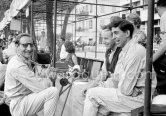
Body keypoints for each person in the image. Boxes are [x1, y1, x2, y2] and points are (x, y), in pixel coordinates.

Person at [82, 19, 157, 116]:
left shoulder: (135, 52)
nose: (113, 37)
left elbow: (125, 89)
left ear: (127, 33)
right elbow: (116, 79)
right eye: (112, 34)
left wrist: (125, 86)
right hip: (129, 95)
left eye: (116, 33)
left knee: (92, 94)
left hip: (140, 99)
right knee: (98, 106)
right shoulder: (123, 52)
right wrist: (101, 86)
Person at [4, 33, 59, 116]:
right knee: (53, 92)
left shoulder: (22, 59)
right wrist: (49, 78)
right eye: (25, 45)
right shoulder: (18, 65)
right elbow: (40, 87)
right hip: (19, 105)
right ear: (17, 46)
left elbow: (33, 79)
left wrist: (46, 74)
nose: (29, 48)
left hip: (23, 100)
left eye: (31, 45)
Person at [152, 0, 166, 105]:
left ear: (159, 7)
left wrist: (151, 59)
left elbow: (165, 45)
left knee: (155, 63)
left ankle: (159, 92)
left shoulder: (164, 16)